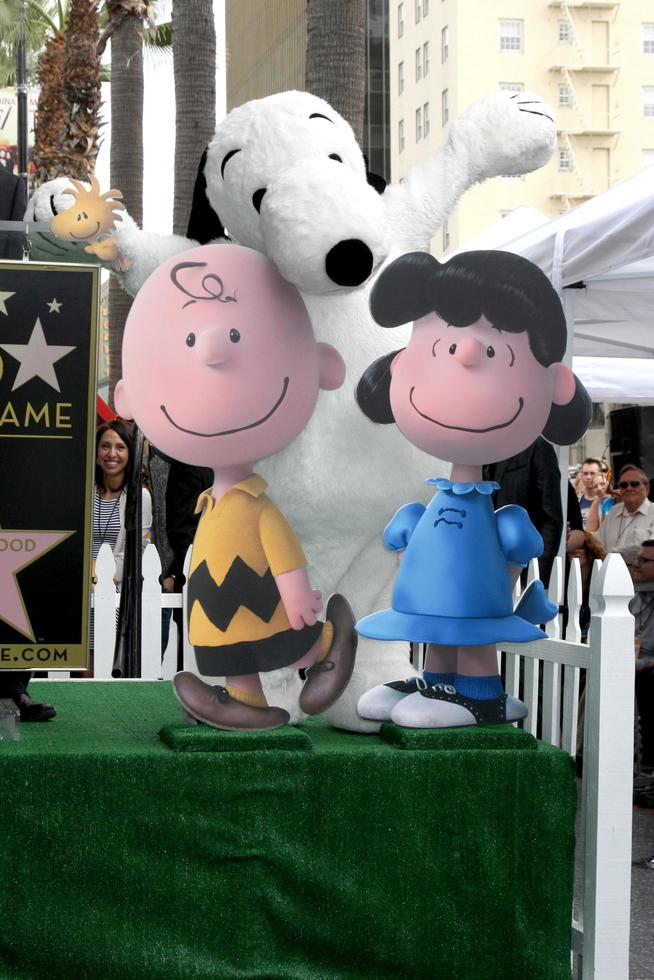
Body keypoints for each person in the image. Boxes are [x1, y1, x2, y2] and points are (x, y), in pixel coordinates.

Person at [115, 244, 358, 730]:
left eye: (232, 335)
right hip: (222, 604)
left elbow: (282, 550)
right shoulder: (212, 503)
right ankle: (245, 700)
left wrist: (296, 595)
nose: (210, 350)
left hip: (265, 602)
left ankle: (325, 648)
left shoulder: (255, 504)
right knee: (238, 646)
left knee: (279, 632)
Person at [355, 248, 590, 728]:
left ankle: (482, 693)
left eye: (492, 351)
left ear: (555, 386)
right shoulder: (437, 492)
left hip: (482, 594)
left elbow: (532, 532)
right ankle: (438, 683)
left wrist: (513, 564)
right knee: (441, 620)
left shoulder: (507, 511)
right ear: (398, 365)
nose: (464, 354)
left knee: (470, 622)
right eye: (442, 347)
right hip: (436, 593)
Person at [485, 436, 563, 587]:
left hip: (523, 571)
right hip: (484, 568)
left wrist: (536, 576)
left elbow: (551, 517)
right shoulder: (477, 449)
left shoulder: (537, 446)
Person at [591, 464, 654, 567]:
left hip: (641, 579)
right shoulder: (614, 511)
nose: (629, 488)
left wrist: (612, 556)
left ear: (646, 488)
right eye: (624, 485)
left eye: (634, 484)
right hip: (609, 576)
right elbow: (598, 542)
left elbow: (649, 551)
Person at [629, 539, 654, 769]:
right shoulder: (632, 597)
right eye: (637, 558)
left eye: (644, 560)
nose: (636, 564)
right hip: (625, 665)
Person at [577, 457, 602, 529]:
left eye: (592, 473)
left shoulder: (607, 500)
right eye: (585, 473)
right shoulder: (576, 501)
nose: (588, 477)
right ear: (581, 476)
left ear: (600, 474)